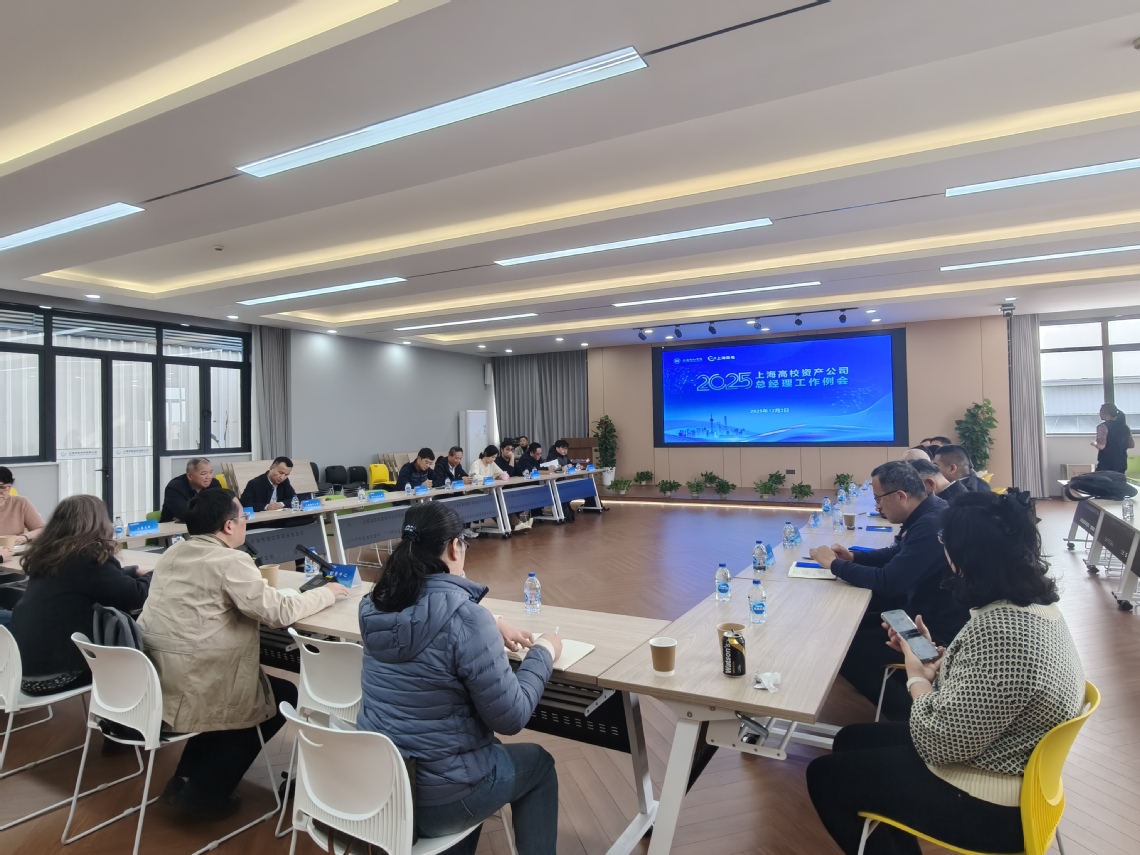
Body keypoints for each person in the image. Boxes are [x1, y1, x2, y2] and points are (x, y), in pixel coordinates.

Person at [806, 491, 1086, 855]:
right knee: (852, 739)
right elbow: (995, 687)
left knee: (827, 778)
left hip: (995, 805)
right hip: (1013, 760)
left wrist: (916, 675)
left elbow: (938, 743)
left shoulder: (1000, 632)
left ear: (963, 555)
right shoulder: (1034, 607)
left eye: (945, 540)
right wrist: (940, 661)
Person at [357, 501, 562, 853]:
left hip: (384, 790)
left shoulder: (373, 604)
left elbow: (424, 611)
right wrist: (544, 651)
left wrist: (491, 620)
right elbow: (511, 717)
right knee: (539, 765)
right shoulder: (467, 620)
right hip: (441, 802)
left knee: (479, 753)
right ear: (455, 547)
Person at [139, 488, 347, 819]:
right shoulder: (230, 560)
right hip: (196, 679)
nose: (245, 523)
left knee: (251, 693)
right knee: (277, 697)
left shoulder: (174, 552)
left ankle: (187, 780)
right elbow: (278, 613)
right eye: (243, 518)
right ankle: (206, 794)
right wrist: (328, 592)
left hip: (157, 677)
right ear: (228, 526)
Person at [809, 461, 968, 721]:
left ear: (901, 496)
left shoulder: (931, 524)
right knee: (852, 627)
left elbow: (888, 581)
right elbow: (897, 554)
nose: (877, 506)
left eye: (878, 498)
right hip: (922, 609)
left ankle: (912, 717)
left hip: (934, 627)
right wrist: (853, 557)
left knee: (846, 650)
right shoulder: (930, 510)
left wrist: (834, 565)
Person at [10, 495, 151, 696]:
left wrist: (133, 571)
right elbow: (137, 595)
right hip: (56, 676)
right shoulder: (88, 558)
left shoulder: (49, 556)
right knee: (146, 653)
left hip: (22, 672)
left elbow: (97, 580)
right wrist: (157, 573)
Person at [160, 457, 223, 522]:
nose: (209, 477)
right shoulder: (174, 487)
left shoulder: (214, 483)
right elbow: (186, 515)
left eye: (210, 472)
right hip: (172, 526)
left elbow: (223, 509)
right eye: (204, 473)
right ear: (190, 476)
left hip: (205, 525)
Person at [0, 466, 46, 550]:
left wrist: (25, 537)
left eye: (3, 488)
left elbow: (41, 529)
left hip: (15, 552)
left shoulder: (21, 502)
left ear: (10, 488)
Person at [1093, 403, 1134, 473]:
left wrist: (1094, 443)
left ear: (1105, 413)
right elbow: (1131, 445)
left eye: (1100, 412)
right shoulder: (1125, 427)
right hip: (1121, 463)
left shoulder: (1102, 427)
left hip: (1106, 463)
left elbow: (1101, 446)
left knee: (1099, 479)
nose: (1099, 414)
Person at [546, 439, 576, 522]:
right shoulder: (551, 457)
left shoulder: (565, 456)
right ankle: (562, 512)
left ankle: (566, 511)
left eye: (566, 449)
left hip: (563, 482)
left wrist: (575, 466)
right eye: (563, 448)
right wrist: (563, 467)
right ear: (557, 448)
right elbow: (554, 469)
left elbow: (570, 464)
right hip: (554, 483)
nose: (565, 451)